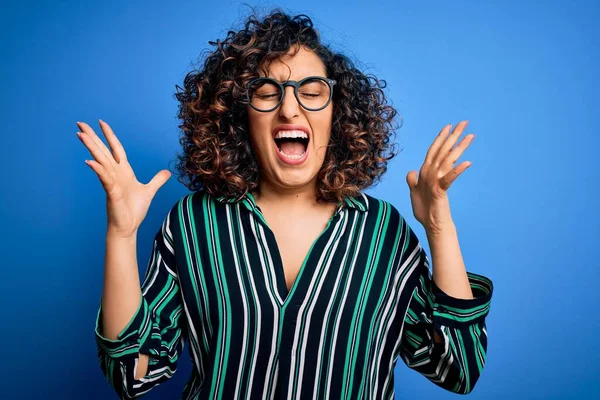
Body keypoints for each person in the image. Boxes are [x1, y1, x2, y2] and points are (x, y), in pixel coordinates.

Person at [78, 9, 493, 400]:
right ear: (240, 116)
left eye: (312, 92)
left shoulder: (384, 234)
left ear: (339, 114)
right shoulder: (193, 224)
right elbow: (131, 374)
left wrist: (439, 227)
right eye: (266, 93)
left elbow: (457, 367)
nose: (289, 108)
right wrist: (121, 233)